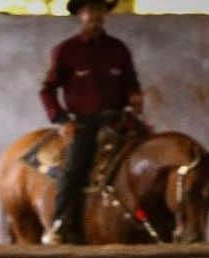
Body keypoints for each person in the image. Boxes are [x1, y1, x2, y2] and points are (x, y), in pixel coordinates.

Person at [40, 0, 143, 245]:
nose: (95, 15)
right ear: (80, 14)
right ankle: (60, 223)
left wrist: (135, 95)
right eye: (89, 9)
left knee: (149, 156)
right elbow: (47, 91)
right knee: (74, 167)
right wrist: (62, 119)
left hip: (118, 121)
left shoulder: (119, 49)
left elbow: (132, 82)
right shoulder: (65, 50)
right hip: (85, 124)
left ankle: (152, 225)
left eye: (99, 9)